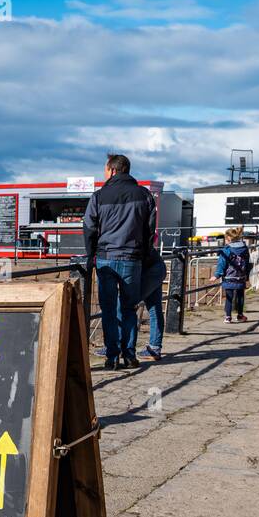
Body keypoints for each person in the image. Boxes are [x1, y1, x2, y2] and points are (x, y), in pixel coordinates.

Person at [83, 153, 157, 369]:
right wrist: (142, 254)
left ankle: (112, 356)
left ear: (113, 170)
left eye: (105, 169)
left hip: (106, 259)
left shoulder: (99, 196)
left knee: (107, 309)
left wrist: (90, 255)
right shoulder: (144, 195)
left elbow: (89, 227)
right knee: (129, 308)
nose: (104, 173)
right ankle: (130, 354)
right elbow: (149, 230)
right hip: (132, 260)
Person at [215, 226, 251, 323]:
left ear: (228, 239)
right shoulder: (245, 248)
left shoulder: (226, 250)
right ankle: (240, 315)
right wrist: (247, 275)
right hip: (241, 276)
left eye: (225, 239)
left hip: (229, 276)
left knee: (229, 297)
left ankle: (228, 317)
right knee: (240, 297)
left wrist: (217, 275)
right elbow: (248, 263)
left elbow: (222, 263)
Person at [141, 244, 167, 360]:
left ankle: (119, 347)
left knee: (126, 306)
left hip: (147, 269)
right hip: (156, 265)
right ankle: (155, 348)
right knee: (155, 308)